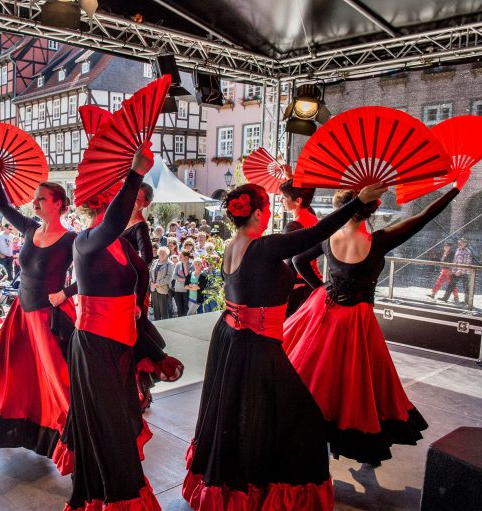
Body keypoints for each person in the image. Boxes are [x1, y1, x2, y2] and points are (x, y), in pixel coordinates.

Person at [184, 182, 386, 510]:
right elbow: (317, 232)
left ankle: (243, 487)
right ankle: (272, 491)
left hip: (231, 339)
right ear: (258, 213)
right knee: (300, 417)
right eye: (267, 207)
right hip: (257, 345)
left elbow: (256, 285)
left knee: (242, 417)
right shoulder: (263, 247)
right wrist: (357, 202)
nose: (270, 213)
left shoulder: (233, 245)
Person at [283, 183, 463, 467]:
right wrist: (454, 189)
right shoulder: (380, 240)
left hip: (325, 312)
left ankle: (311, 431)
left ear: (341, 209)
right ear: (371, 210)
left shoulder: (329, 237)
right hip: (357, 319)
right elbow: (424, 216)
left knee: (320, 375)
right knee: (357, 380)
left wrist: (320, 288)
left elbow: (298, 261)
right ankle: (356, 438)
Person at [59, 144, 159, 511]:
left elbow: (142, 271)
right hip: (95, 346)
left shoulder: (119, 242)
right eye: (115, 193)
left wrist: (139, 314)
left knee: (119, 422)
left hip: (120, 343)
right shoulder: (86, 240)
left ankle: (114, 492)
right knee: (110, 427)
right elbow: (115, 222)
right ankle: (112, 499)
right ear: (103, 202)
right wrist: (135, 174)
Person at [0, 161, 78, 467]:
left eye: (41, 198)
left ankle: (75, 438)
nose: (35, 202)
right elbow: (3, 206)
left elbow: (91, 274)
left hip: (47, 316)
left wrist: (66, 293)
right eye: (35, 198)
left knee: (56, 379)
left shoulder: (71, 240)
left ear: (58, 204)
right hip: (21, 312)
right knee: (4, 365)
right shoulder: (31, 228)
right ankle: (20, 428)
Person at [121, 182, 183, 411]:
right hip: (121, 286)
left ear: (146, 203)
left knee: (134, 336)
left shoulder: (140, 226)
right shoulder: (121, 220)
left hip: (133, 288)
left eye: (137, 199)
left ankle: (142, 388)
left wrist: (127, 269)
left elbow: (146, 258)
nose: (132, 201)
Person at [279, 178, 320, 316]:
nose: (281, 200)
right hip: (312, 282)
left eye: (284, 197)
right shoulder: (313, 218)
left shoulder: (292, 227)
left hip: (297, 287)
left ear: (298, 201)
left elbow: (289, 263)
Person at [441, 237, 473, 304]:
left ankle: (467, 301)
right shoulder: (458, 250)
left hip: (464, 272)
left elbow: (467, 262)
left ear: (465, 244)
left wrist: (461, 270)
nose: (459, 244)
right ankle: (445, 298)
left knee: (466, 287)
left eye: (460, 243)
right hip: (456, 271)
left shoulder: (467, 251)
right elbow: (455, 261)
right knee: (451, 284)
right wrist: (452, 270)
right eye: (458, 243)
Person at [149, 246, 173, 320]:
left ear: (167, 254)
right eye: (160, 253)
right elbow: (150, 273)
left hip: (163, 289)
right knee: (156, 311)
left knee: (164, 311)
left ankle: (166, 325)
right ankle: (157, 325)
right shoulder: (155, 262)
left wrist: (158, 283)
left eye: (163, 253)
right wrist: (151, 282)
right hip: (154, 289)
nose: (161, 255)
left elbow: (169, 277)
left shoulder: (170, 264)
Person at [171, 250, 192, 316]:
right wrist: (185, 279)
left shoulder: (192, 264)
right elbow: (174, 276)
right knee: (179, 308)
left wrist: (185, 264)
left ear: (186, 257)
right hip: (178, 289)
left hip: (187, 290)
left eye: (181, 257)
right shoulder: (178, 264)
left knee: (186, 308)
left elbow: (188, 276)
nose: (179, 258)